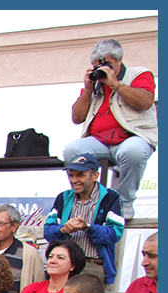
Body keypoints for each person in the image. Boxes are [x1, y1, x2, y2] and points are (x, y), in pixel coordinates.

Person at [61, 38, 156, 220]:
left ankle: (124, 201)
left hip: (132, 137)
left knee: (133, 151)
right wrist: (88, 89)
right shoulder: (95, 83)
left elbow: (145, 102)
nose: (102, 70)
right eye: (97, 65)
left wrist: (116, 84)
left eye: (107, 64)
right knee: (72, 150)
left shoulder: (138, 74)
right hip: (100, 141)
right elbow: (77, 118)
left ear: (119, 60)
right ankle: (84, 199)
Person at [43, 153, 124, 288]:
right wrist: (63, 229)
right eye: (71, 175)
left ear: (95, 176)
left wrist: (88, 227)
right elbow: (48, 232)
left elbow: (115, 233)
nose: (74, 180)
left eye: (80, 175)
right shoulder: (63, 197)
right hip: (65, 266)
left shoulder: (111, 197)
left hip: (93, 266)